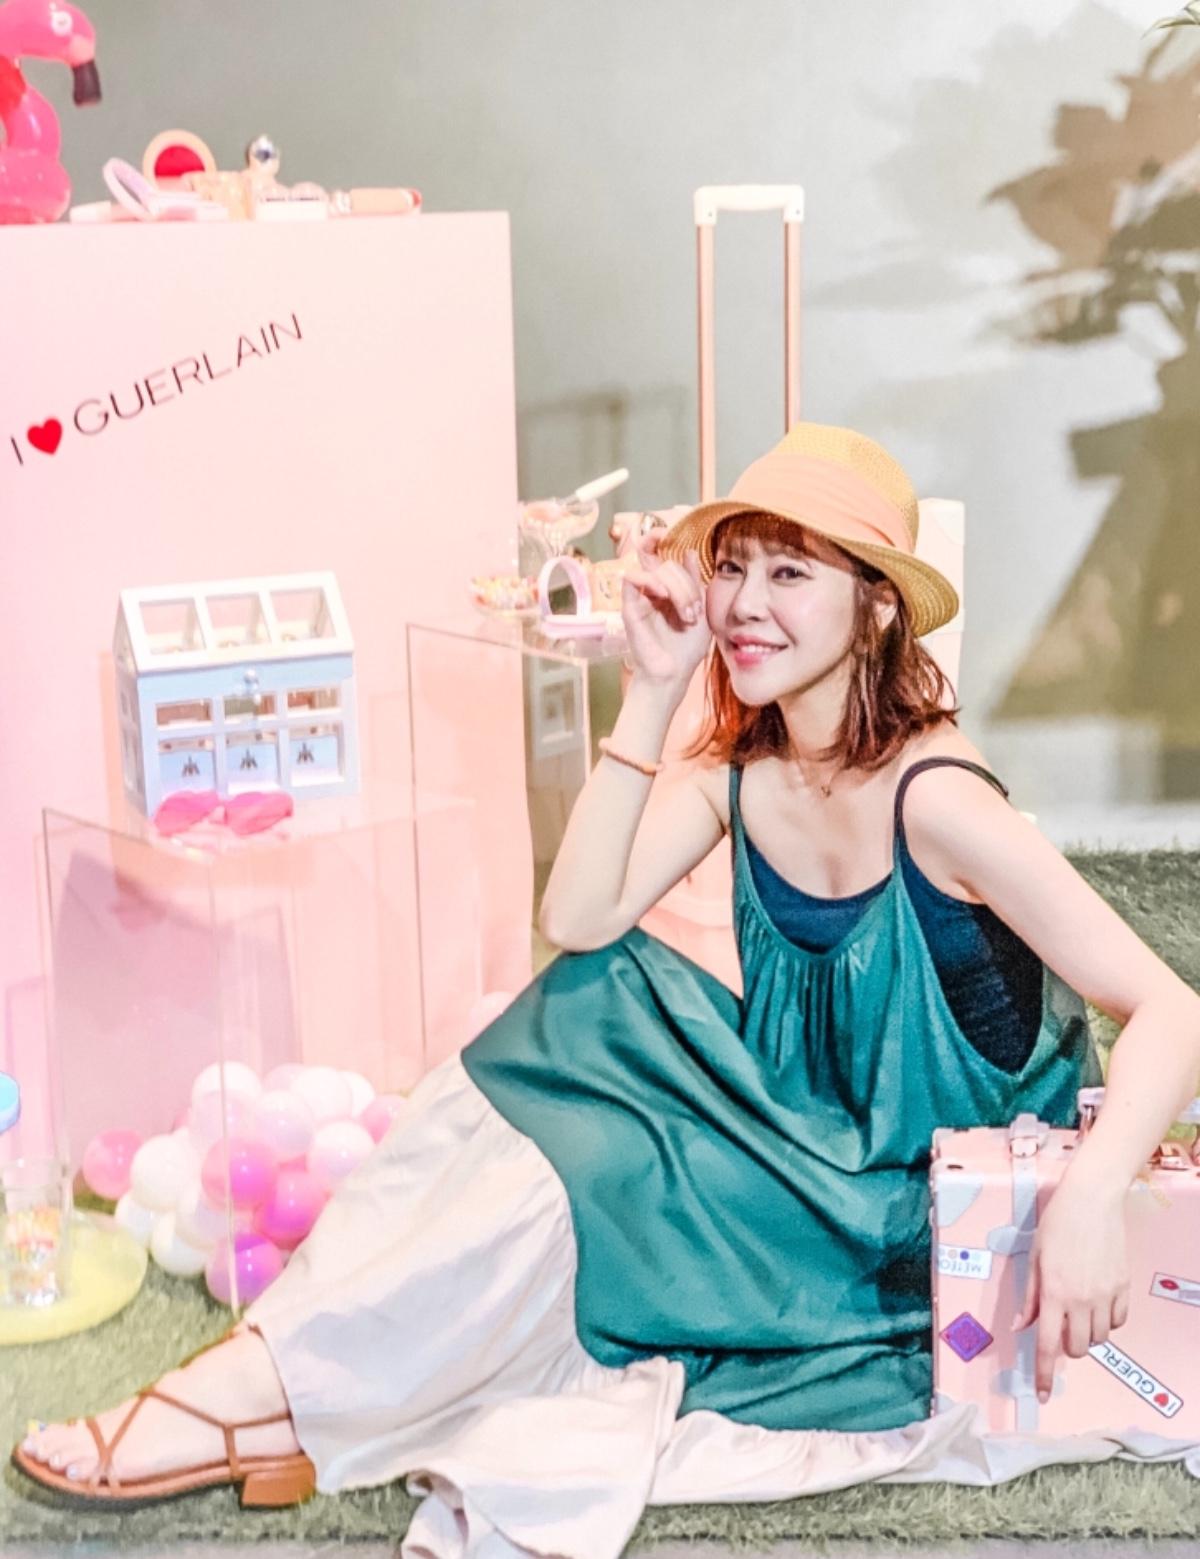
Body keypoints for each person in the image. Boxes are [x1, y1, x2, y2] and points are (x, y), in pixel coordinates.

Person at [14, 424, 1200, 1542]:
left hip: (919, 1212)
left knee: (606, 1033)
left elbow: (1172, 1008)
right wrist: (652, 686)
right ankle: (277, 1375)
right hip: (807, 1149)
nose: (745, 602)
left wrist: (1095, 1194)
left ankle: (266, 1389)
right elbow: (575, 919)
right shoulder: (744, 773)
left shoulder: (937, 796)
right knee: (598, 994)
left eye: (791, 573)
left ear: (875, 604)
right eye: (733, 566)